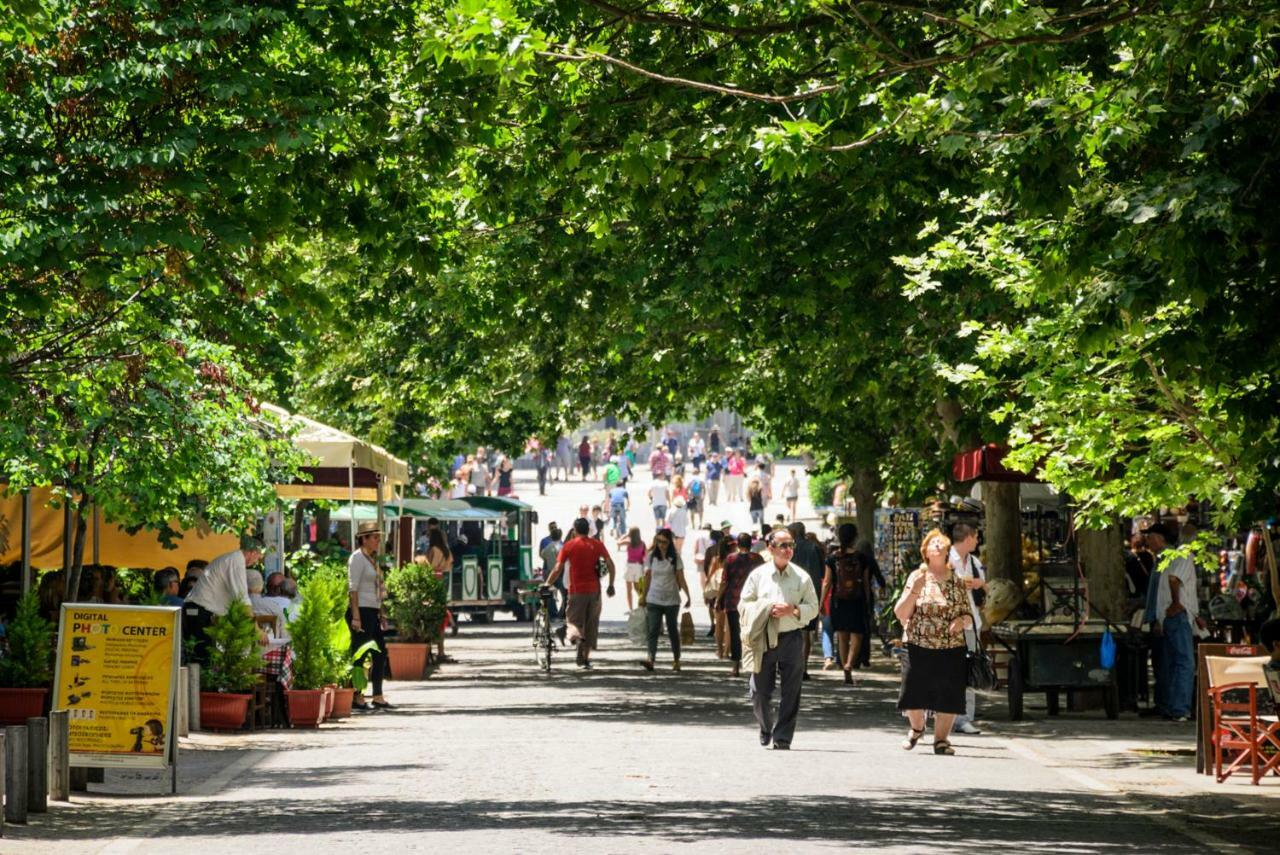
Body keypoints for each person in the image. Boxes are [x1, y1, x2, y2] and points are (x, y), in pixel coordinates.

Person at [738, 529, 819, 750]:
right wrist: (765, 609)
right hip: (764, 638)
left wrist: (793, 610)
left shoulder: (802, 577)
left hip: (792, 638)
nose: (788, 550)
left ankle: (783, 737)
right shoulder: (758, 576)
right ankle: (766, 726)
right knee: (759, 691)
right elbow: (743, 605)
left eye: (791, 545)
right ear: (770, 548)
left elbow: (813, 608)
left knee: (791, 691)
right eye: (782, 545)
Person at [895, 530, 971, 756]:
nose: (937, 547)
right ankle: (917, 728)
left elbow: (969, 616)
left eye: (942, 544)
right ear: (926, 551)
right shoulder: (916, 577)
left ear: (947, 551)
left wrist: (960, 620)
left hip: (950, 646)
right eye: (933, 544)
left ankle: (941, 740)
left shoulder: (956, 581)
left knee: (949, 695)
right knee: (912, 694)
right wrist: (915, 590)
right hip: (917, 644)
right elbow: (901, 613)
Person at [1145, 521, 1202, 721]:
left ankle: (1171, 706)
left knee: (1172, 663)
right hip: (1176, 616)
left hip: (1170, 616)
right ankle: (1180, 709)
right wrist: (1177, 604)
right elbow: (1174, 580)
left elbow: (1168, 583)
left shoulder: (1172, 557)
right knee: (1185, 663)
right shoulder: (1185, 555)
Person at [545, 518, 616, 670]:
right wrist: (611, 584)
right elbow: (610, 564)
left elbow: (557, 568)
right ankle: (585, 658)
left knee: (573, 622)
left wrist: (547, 584)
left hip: (576, 591)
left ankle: (577, 641)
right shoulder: (597, 544)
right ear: (588, 530)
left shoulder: (569, 545)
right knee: (591, 624)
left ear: (575, 530)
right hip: (595, 591)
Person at [184, 541, 263, 663]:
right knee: (202, 659)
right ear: (252, 552)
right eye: (259, 555)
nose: (259, 559)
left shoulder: (232, 559)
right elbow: (243, 601)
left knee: (200, 658)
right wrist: (257, 630)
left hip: (198, 609)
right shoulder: (236, 562)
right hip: (199, 610)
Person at [347, 521, 391, 710]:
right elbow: (353, 589)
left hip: (372, 610)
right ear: (363, 539)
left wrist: (381, 613)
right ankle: (357, 695)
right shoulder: (357, 558)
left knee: (380, 652)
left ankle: (378, 695)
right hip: (361, 611)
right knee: (361, 653)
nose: (378, 541)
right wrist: (356, 616)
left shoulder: (372, 559)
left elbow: (377, 588)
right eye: (374, 537)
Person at [822, 523, 873, 685]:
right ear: (855, 537)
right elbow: (865, 582)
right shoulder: (861, 558)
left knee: (842, 636)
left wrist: (821, 602)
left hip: (838, 601)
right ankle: (850, 663)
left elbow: (827, 583)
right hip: (857, 600)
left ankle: (845, 667)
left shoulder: (832, 558)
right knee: (857, 635)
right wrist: (867, 600)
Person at [949, 522, 987, 734]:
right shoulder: (947, 560)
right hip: (951, 622)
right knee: (950, 669)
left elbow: (984, 585)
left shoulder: (974, 561)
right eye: (976, 537)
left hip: (972, 622)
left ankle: (964, 717)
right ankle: (947, 713)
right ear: (967, 538)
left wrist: (980, 584)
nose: (978, 541)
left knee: (969, 667)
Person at [640, 529, 692, 671]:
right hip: (654, 599)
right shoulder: (651, 557)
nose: (661, 545)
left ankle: (676, 660)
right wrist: (643, 596)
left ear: (669, 543)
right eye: (659, 541)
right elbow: (647, 578)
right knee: (653, 630)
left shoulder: (675, 558)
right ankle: (651, 659)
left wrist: (688, 595)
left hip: (671, 600)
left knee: (672, 630)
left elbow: (681, 578)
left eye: (664, 542)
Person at [718, 532, 762, 676]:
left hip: (733, 602)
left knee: (736, 633)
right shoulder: (757, 559)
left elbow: (724, 581)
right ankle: (752, 664)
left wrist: (719, 599)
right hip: (752, 602)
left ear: (738, 544)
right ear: (751, 544)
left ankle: (736, 666)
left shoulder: (730, 559)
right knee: (752, 632)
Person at [788, 521, 826, 679]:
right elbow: (823, 572)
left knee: (788, 632)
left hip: (791, 595)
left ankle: (788, 666)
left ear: (794, 534)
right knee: (805, 634)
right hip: (811, 595)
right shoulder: (815, 547)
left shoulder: (789, 549)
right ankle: (803, 668)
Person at [425, 527, 455, 663]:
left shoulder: (433, 550)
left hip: (433, 582)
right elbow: (450, 565)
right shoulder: (446, 550)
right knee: (441, 617)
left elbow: (427, 566)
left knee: (433, 619)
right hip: (444, 581)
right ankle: (441, 650)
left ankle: (435, 650)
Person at [247, 568, 286, 634]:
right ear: (262, 586)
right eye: (271, 587)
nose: (274, 590)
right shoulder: (274, 607)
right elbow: (284, 633)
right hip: (273, 643)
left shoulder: (234, 607)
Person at [539, 523, 566, 617]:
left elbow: (542, 554)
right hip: (558, 573)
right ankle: (558, 614)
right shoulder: (560, 546)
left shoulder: (548, 546)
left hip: (549, 570)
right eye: (552, 527)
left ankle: (556, 614)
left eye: (555, 527)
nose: (553, 529)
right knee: (564, 593)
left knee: (550, 592)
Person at [618, 527, 647, 610]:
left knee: (629, 590)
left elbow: (618, 542)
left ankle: (630, 608)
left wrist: (625, 535)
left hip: (629, 567)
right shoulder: (642, 544)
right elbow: (646, 556)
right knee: (641, 589)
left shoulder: (628, 542)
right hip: (639, 567)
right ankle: (642, 606)